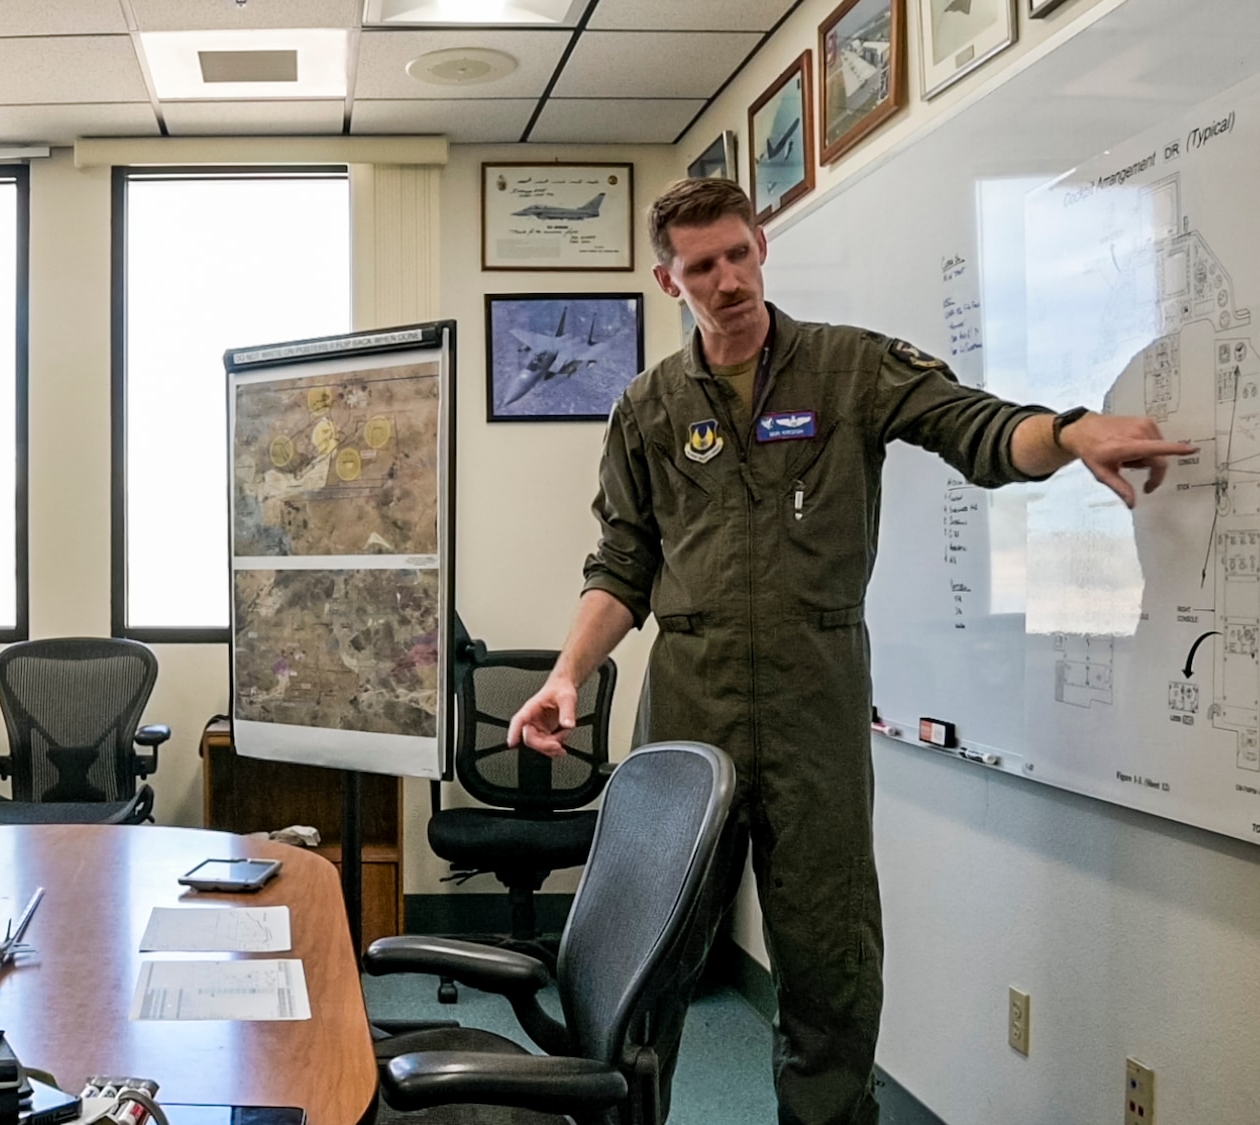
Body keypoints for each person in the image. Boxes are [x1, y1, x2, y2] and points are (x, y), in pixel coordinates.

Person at [505, 178, 1194, 1125]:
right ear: (671, 281)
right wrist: (566, 674)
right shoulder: (649, 408)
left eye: (739, 254)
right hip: (689, 700)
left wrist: (1069, 432)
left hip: (811, 700)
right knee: (651, 959)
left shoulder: (848, 369)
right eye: (702, 266)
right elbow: (622, 564)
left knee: (829, 961)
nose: (728, 279)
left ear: (761, 248)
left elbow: (978, 430)